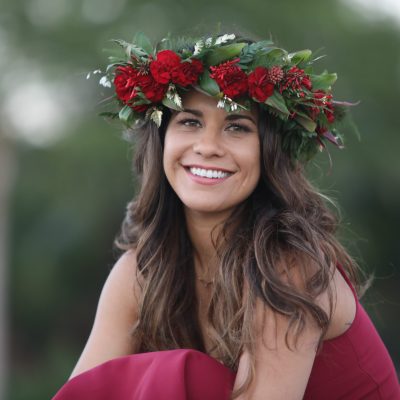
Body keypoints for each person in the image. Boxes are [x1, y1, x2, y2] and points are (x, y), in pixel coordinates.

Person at [53, 33, 400, 399]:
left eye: (237, 127)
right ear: (162, 141)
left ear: (269, 154)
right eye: (190, 122)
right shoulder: (141, 270)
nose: (207, 147)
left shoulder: (287, 268)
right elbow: (83, 392)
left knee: (184, 374)